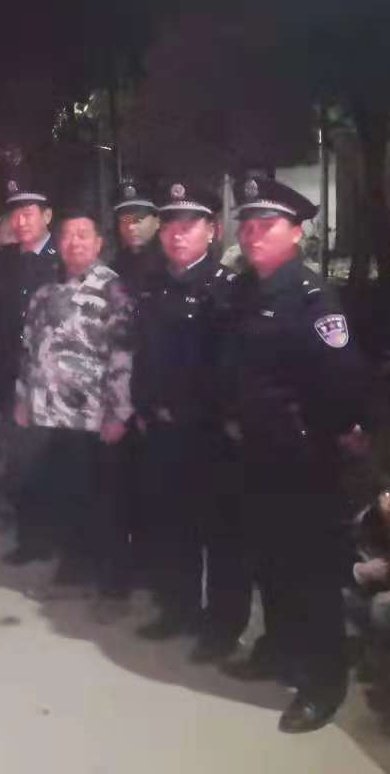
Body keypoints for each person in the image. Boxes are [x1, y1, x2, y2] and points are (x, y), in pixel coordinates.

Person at [216, 177, 370, 734]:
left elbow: (342, 383)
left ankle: (323, 684)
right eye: (247, 225)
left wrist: (322, 436)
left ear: (297, 233)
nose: (253, 234)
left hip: (302, 461)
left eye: (267, 225)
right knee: (271, 562)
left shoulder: (312, 298)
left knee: (311, 574)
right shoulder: (244, 291)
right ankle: (279, 650)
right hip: (254, 454)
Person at [131, 181, 249, 656]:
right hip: (163, 430)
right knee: (172, 523)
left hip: (209, 433)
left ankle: (222, 627)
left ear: (212, 230)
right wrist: (144, 405)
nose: (177, 234)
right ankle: (177, 608)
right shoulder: (153, 284)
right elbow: (143, 354)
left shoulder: (227, 290)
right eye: (170, 225)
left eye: (189, 225)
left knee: (219, 534)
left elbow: (232, 368)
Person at [11, 206, 134, 602]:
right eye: (67, 235)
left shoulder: (113, 290)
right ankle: (74, 568)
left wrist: (119, 413)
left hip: (94, 416)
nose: (74, 242)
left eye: (83, 235)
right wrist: (23, 398)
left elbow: (123, 355)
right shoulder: (46, 291)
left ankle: (112, 585)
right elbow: (29, 348)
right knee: (66, 493)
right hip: (51, 414)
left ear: (99, 243)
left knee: (103, 501)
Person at [0, 177, 62, 564]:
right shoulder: (3, 260)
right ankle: (31, 538)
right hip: (12, 376)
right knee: (20, 461)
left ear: (47, 216)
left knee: (53, 460)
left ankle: (60, 540)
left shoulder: (64, 258)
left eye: (29, 213)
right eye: (15, 214)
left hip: (55, 380)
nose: (21, 221)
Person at [109, 178, 165, 294]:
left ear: (157, 222)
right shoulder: (114, 268)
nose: (130, 227)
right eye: (125, 221)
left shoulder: (171, 265)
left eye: (139, 220)